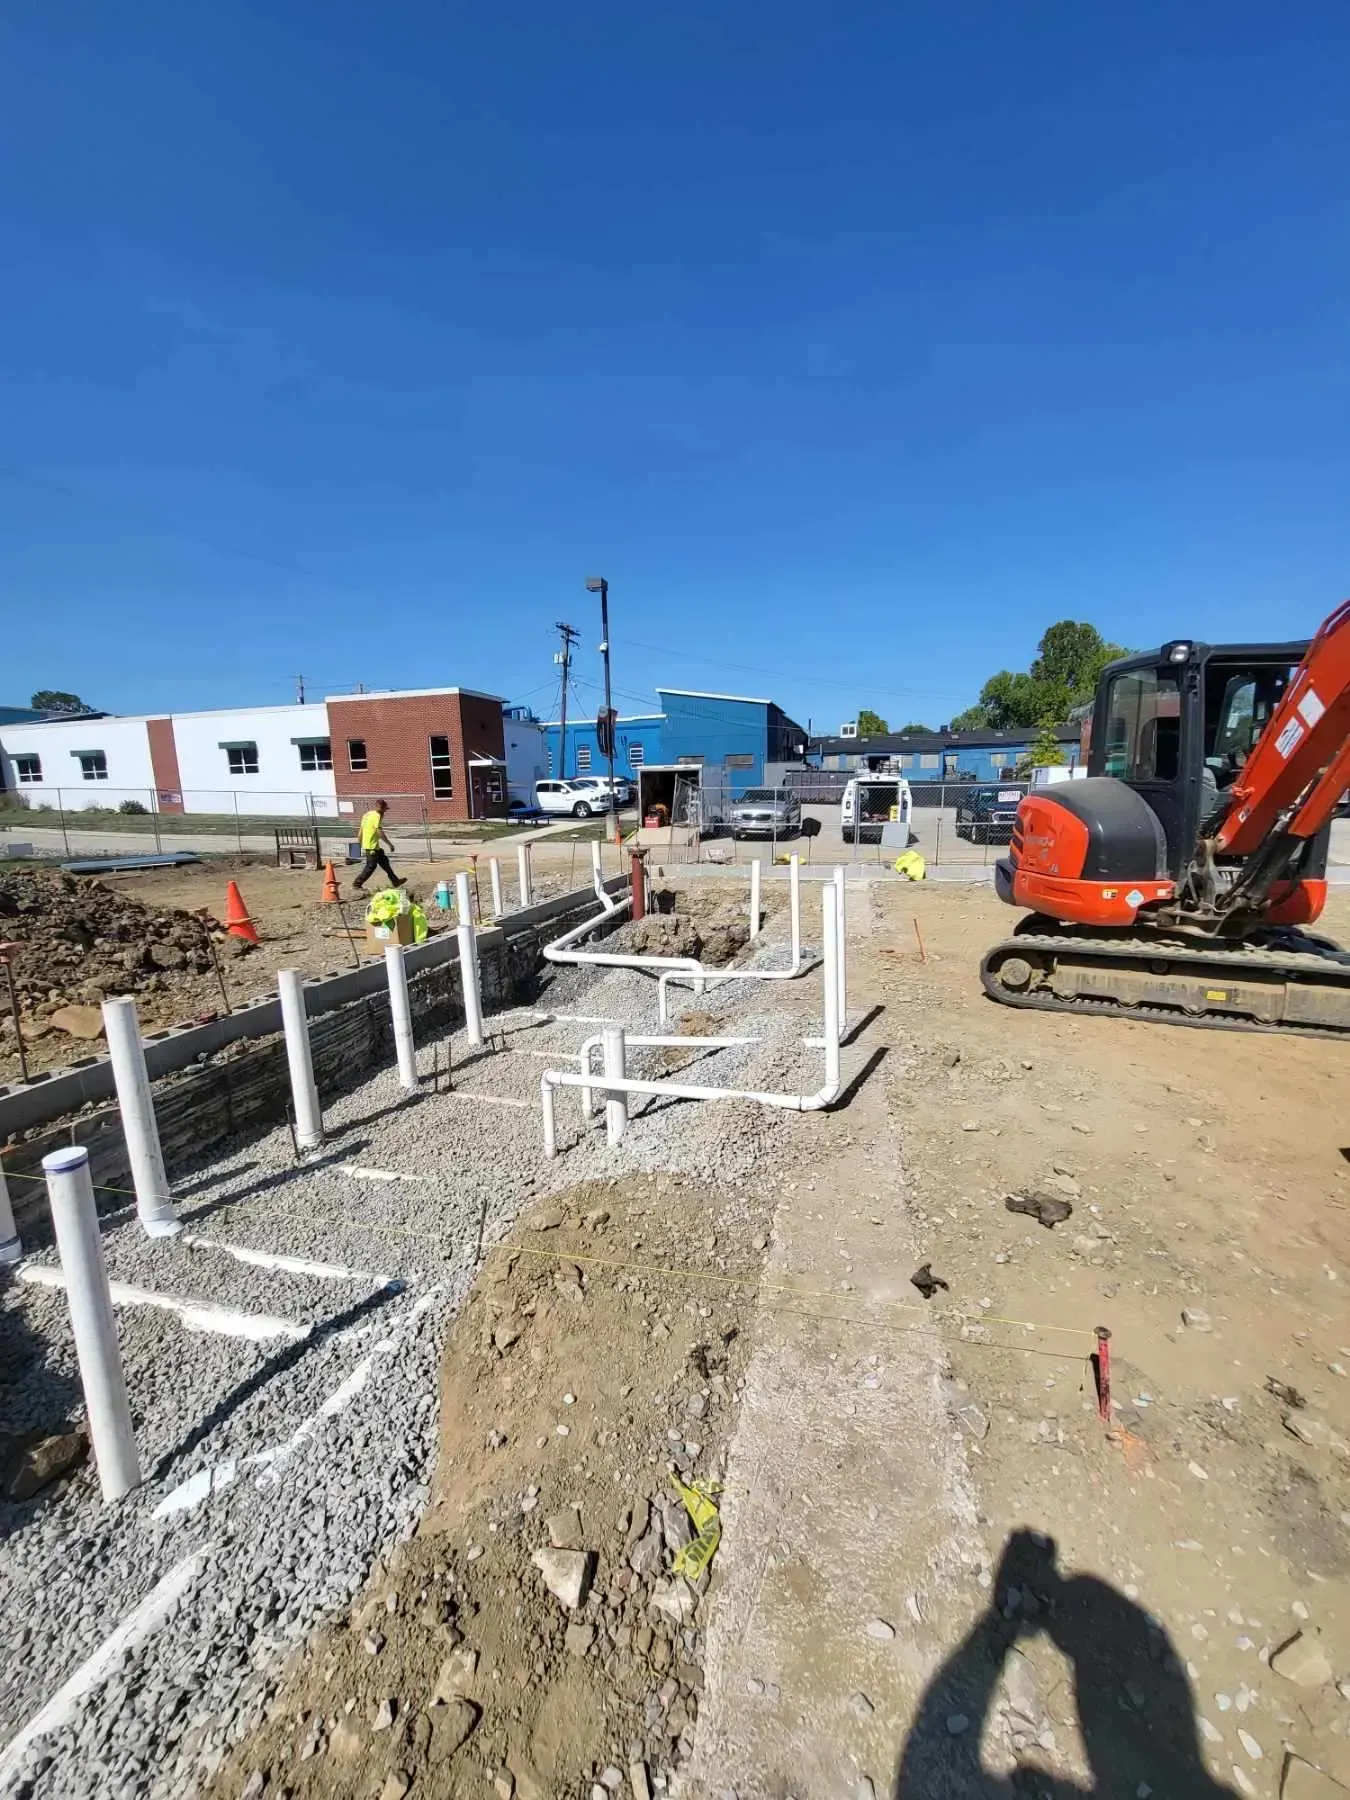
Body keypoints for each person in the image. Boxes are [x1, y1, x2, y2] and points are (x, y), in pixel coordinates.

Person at [352, 800, 406, 894]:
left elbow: (361, 830)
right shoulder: (377, 816)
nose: (385, 813)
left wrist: (359, 843)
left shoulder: (367, 814)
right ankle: (357, 884)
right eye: (385, 810)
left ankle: (395, 881)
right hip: (371, 847)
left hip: (372, 846)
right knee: (371, 866)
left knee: (384, 862)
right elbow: (379, 831)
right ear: (381, 809)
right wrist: (389, 844)